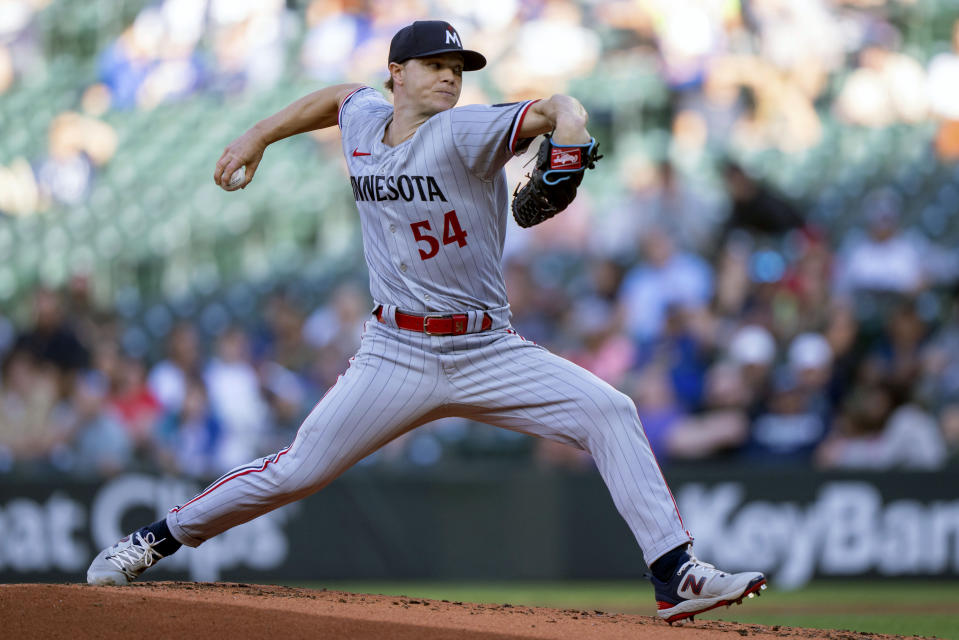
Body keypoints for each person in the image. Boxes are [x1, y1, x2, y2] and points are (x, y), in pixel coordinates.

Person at [87, 20, 766, 623]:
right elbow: (336, 96)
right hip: (395, 353)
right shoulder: (363, 120)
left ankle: (674, 574)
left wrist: (570, 128)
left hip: (485, 348)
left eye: (459, 68)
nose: (450, 75)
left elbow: (556, 109)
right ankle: (158, 536)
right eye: (437, 65)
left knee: (610, 410)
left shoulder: (463, 131)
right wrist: (257, 134)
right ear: (396, 74)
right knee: (297, 470)